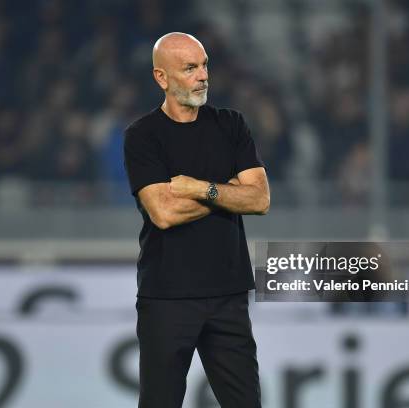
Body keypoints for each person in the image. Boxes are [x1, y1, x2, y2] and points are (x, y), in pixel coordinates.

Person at [123, 32, 270, 408]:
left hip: (228, 293)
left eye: (204, 65)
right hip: (166, 296)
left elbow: (260, 199)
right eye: (190, 68)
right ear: (162, 78)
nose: (203, 75)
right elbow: (165, 213)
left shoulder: (231, 124)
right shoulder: (142, 136)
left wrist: (199, 188)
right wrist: (228, 190)